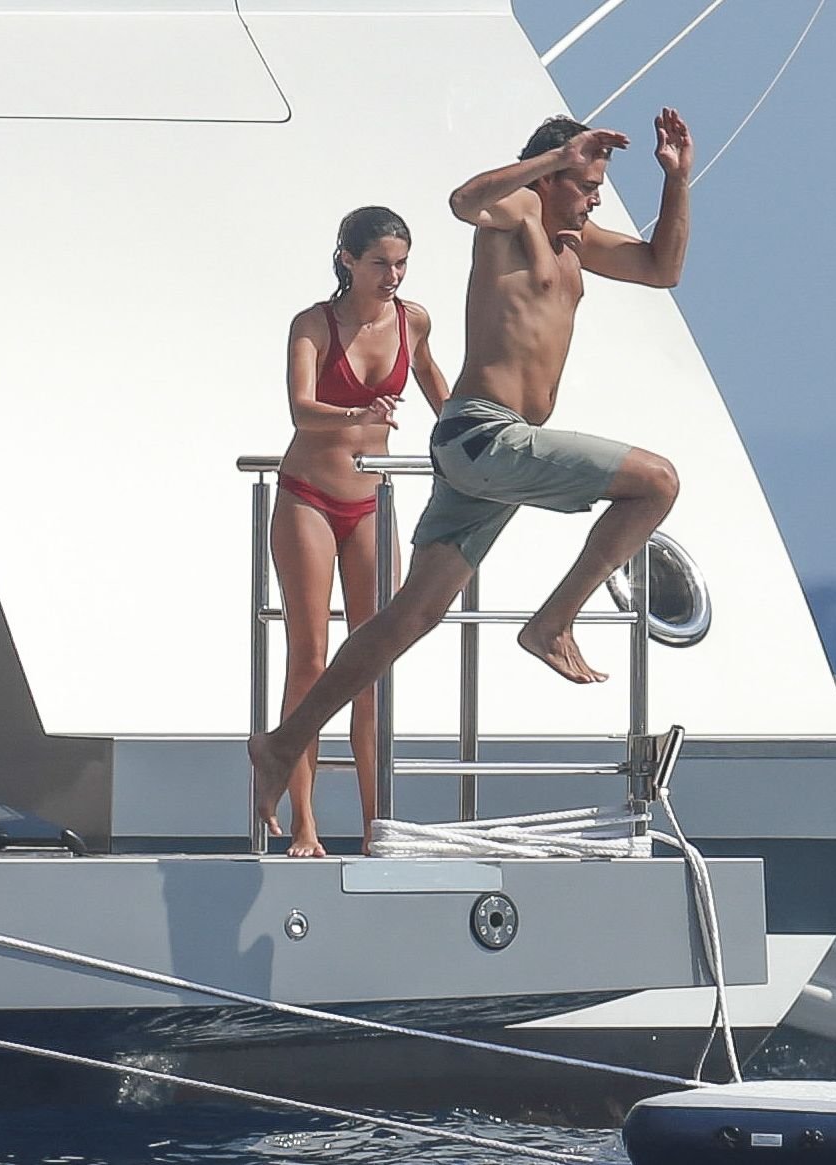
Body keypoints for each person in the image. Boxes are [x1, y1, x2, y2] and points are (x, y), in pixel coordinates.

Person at [250, 109, 693, 840]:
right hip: (485, 435)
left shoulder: (575, 242)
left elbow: (662, 269)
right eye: (585, 183)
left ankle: (282, 742)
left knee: (409, 616)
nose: (595, 198)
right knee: (658, 482)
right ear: (552, 176)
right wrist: (555, 159)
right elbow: (464, 200)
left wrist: (677, 180)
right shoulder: (517, 216)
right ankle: (552, 622)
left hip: (488, 451)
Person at [270, 206, 450, 856]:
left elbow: (438, 389)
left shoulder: (413, 320)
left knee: (373, 664)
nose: (392, 276)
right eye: (380, 263)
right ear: (347, 259)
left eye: (401, 264)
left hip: (372, 501)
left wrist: (475, 438)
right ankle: (304, 822)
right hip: (310, 496)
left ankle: (378, 827)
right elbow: (300, 408)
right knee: (311, 659)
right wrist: (356, 412)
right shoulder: (313, 324)